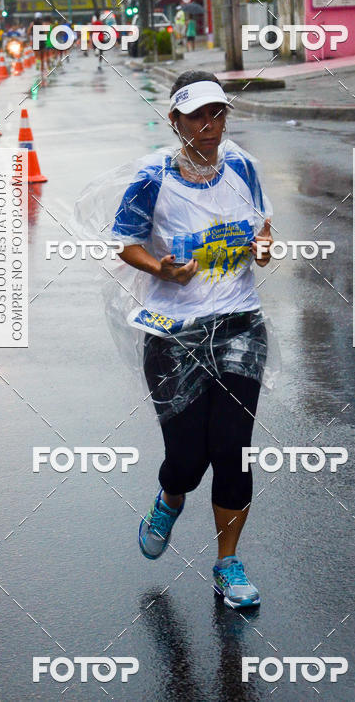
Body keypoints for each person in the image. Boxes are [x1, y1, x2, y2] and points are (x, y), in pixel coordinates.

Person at [112, 70, 273, 608]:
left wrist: (265, 245)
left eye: (218, 113)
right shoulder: (152, 176)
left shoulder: (243, 166)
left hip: (239, 323)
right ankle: (170, 496)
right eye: (198, 116)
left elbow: (262, 226)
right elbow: (127, 243)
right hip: (174, 332)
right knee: (187, 458)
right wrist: (160, 267)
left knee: (232, 450)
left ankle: (228, 564)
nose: (210, 126)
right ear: (175, 121)